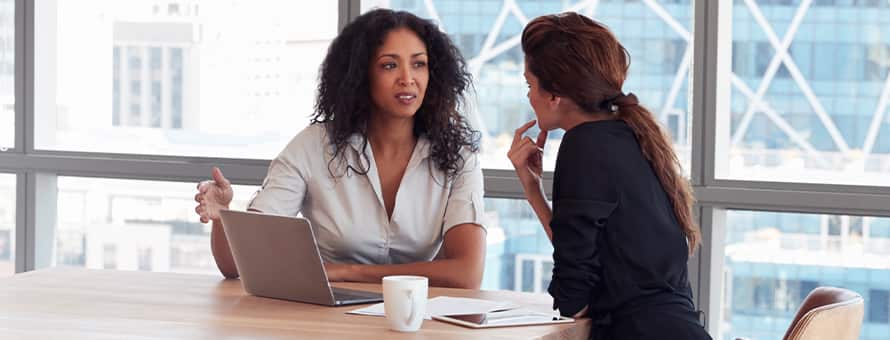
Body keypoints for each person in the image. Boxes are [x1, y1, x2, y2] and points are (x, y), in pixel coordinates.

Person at [194, 9, 486, 289]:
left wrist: (349, 272)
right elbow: (239, 263)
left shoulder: (458, 157)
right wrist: (222, 216)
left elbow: (467, 273)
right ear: (360, 75)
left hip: (415, 320)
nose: (407, 78)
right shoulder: (313, 146)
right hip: (325, 316)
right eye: (389, 65)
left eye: (419, 64)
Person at [508, 12, 711, 339]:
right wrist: (533, 190)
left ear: (554, 94)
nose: (529, 96)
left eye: (529, 84)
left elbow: (572, 298)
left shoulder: (583, 145)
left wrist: (534, 192)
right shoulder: (631, 135)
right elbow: (590, 262)